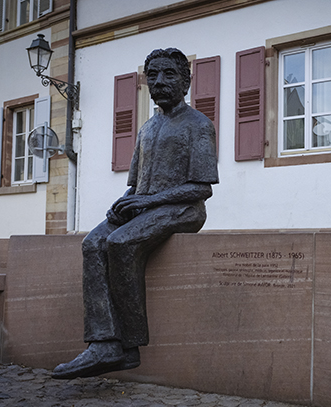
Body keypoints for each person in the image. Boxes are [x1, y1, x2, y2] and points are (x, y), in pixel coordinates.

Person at [52, 48, 218, 379]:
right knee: (93, 243)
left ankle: (130, 344)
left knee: (121, 242)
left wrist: (145, 202)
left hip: (183, 209)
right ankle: (105, 344)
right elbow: (136, 187)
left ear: (186, 82)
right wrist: (123, 203)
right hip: (147, 205)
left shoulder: (199, 125)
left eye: (169, 74)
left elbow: (202, 189)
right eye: (152, 75)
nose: (159, 81)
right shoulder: (146, 128)